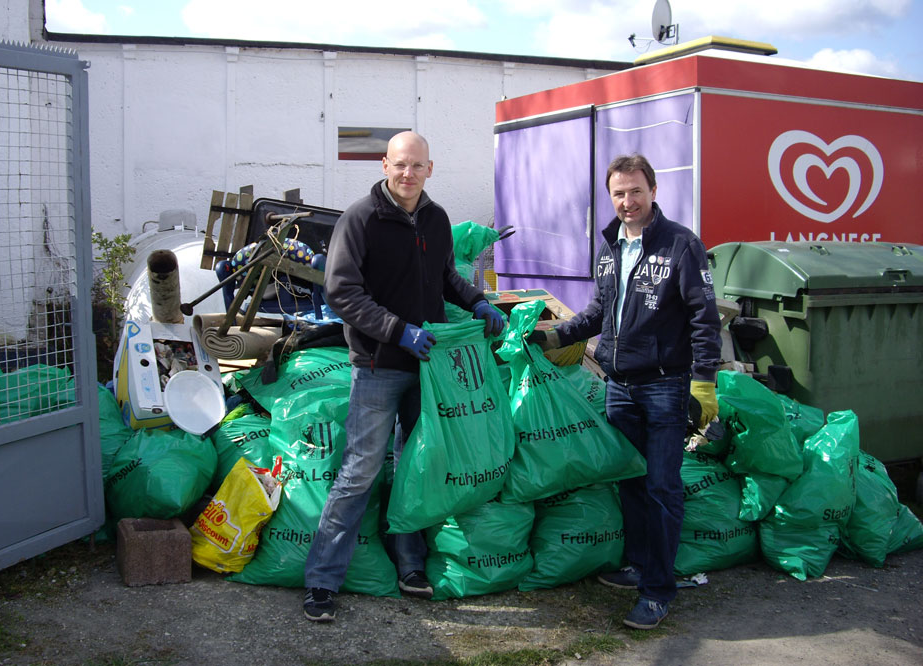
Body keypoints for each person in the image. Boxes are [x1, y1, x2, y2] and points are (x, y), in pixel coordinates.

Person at [303, 131, 505, 622]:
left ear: (429, 169)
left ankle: (410, 566)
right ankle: (322, 581)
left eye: (417, 165)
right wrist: (397, 331)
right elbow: (342, 293)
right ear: (384, 165)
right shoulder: (361, 219)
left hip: (427, 368)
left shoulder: (436, 219)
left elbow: (442, 277)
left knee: (418, 467)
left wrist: (475, 300)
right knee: (360, 473)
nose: (408, 173)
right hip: (377, 367)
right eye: (399, 165)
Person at [529, 153, 721, 630]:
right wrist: (556, 335)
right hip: (619, 385)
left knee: (661, 487)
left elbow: (704, 318)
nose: (627, 201)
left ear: (653, 191)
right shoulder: (610, 246)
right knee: (632, 481)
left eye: (636, 191)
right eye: (619, 193)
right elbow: (599, 311)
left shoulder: (681, 245)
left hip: (665, 386)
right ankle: (638, 565)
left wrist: (704, 383)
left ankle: (658, 590)